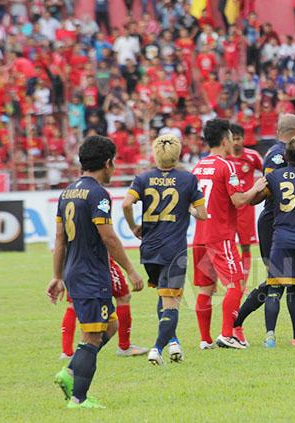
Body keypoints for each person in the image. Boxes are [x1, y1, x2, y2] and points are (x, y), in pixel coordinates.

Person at [48, 136, 145, 409]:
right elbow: (109, 237)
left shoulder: (67, 191)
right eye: (114, 163)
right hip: (92, 275)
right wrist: (131, 271)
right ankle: (79, 399)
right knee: (92, 336)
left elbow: (59, 238)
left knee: (110, 325)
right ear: (108, 162)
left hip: (74, 272)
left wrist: (57, 276)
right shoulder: (98, 194)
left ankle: (69, 371)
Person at [234, 114, 295, 346]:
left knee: (291, 280)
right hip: (276, 223)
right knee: (276, 280)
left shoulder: (277, 152)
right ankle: (236, 323)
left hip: (284, 221)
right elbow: (272, 190)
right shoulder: (279, 155)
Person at [122, 134, 207, 365]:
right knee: (172, 301)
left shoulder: (142, 178)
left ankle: (174, 342)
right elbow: (203, 214)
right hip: (173, 250)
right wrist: (188, 207)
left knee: (164, 294)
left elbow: (126, 204)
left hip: (149, 249)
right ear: (177, 153)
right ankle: (157, 348)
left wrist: (133, 227)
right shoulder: (188, 180)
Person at [191, 119, 265, 350]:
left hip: (199, 238)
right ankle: (227, 335)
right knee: (235, 284)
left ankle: (205, 339)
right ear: (225, 141)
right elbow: (239, 200)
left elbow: (191, 206)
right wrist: (256, 187)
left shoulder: (198, 167)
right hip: (220, 237)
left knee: (205, 288)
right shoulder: (226, 166)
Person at [226, 124, 263, 291]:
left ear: (243, 139)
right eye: (232, 139)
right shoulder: (225, 158)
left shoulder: (252, 156)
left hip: (246, 208)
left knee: (245, 245)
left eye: (238, 138)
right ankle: (233, 279)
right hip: (228, 208)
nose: (235, 142)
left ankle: (243, 283)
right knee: (228, 245)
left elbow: (268, 172)